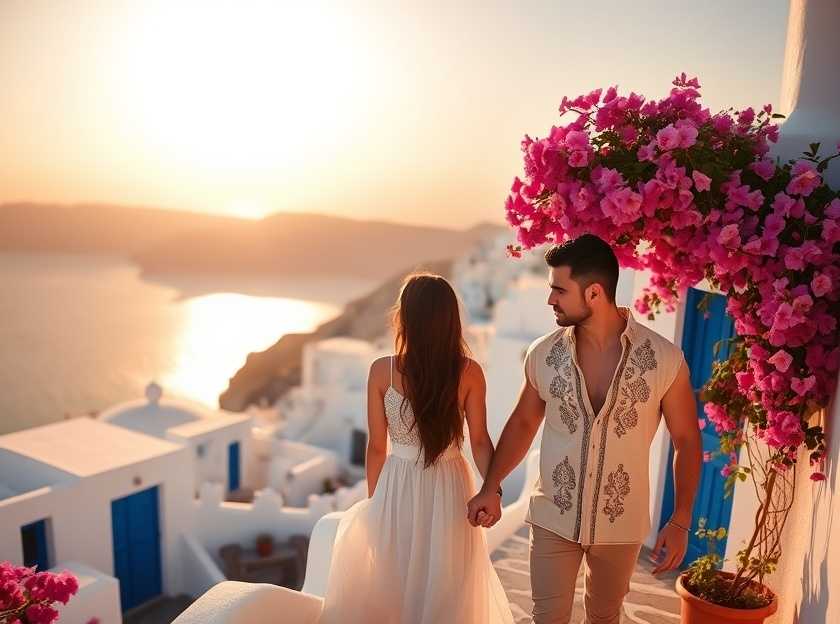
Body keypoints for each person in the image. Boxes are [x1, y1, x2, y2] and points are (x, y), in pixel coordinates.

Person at [467, 234, 702, 624]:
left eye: (559, 289)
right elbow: (524, 423)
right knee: (547, 618)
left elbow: (687, 441)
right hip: (552, 516)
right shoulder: (544, 353)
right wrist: (491, 486)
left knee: (604, 619)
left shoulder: (664, 359)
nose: (550, 300)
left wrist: (680, 520)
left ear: (594, 293)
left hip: (621, 521)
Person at [319, 272, 514, 624]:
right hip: (451, 484)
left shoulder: (382, 371)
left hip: (397, 484)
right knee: (447, 581)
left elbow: (377, 447)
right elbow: (481, 441)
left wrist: (376, 504)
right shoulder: (470, 373)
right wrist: (491, 490)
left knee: (395, 578)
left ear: (405, 317)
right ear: (450, 320)